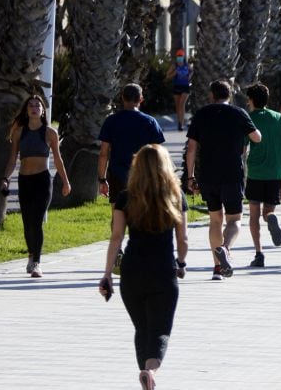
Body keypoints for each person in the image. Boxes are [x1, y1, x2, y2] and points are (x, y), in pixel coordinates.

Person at [99, 144, 188, 390]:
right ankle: (150, 371)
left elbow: (116, 238)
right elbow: (183, 239)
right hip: (163, 271)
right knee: (160, 330)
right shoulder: (176, 196)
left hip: (132, 271)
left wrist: (107, 274)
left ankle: (144, 374)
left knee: (142, 328)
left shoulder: (125, 197)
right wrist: (181, 263)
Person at [185, 79, 262, 280]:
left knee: (215, 219)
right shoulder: (239, 114)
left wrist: (190, 176)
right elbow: (257, 138)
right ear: (230, 95)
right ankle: (225, 248)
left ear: (212, 95)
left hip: (208, 175)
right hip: (232, 174)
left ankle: (217, 269)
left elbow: (192, 148)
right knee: (235, 219)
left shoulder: (201, 114)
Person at [1, 94, 70, 277]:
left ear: (42, 111)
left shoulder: (49, 133)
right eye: (30, 105)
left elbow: (58, 158)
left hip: (42, 180)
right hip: (25, 180)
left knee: (37, 221)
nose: (34, 108)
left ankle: (37, 262)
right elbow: (12, 159)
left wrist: (65, 182)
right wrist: (6, 178)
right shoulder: (19, 132)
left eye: (37, 105)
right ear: (26, 110)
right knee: (27, 223)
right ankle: (31, 255)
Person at [245, 83, 281, 268]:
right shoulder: (278, 117)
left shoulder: (249, 119)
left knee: (253, 214)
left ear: (251, 100)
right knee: (268, 210)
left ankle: (259, 254)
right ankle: (271, 218)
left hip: (256, 172)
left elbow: (244, 148)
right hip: (275, 172)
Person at [98, 84, 166, 210]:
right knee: (142, 217)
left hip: (117, 176)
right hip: (144, 176)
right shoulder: (150, 122)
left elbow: (103, 154)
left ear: (122, 98)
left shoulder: (111, 121)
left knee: (118, 217)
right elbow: (159, 154)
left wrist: (102, 179)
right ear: (141, 99)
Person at [165, 49, 192, 131]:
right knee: (178, 106)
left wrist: (189, 77)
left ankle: (182, 123)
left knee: (181, 104)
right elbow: (167, 76)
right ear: (176, 57)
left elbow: (191, 71)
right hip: (177, 86)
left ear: (184, 57)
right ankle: (179, 122)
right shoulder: (174, 65)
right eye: (178, 56)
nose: (180, 57)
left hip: (185, 87)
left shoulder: (187, 65)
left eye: (181, 56)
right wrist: (174, 73)